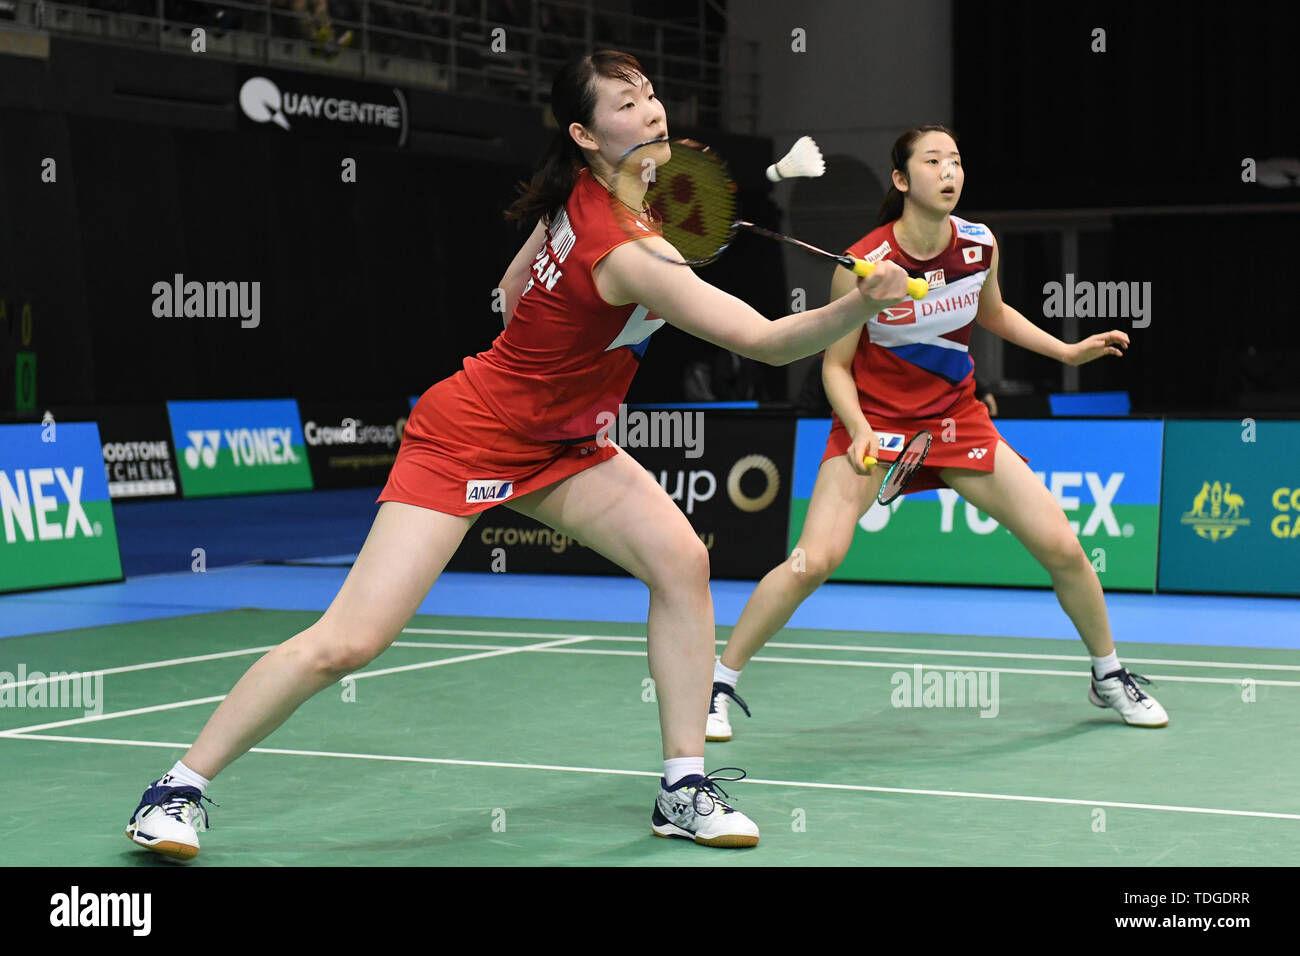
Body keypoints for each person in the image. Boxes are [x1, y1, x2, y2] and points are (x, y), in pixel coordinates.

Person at [124, 50, 913, 859]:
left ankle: (683, 786)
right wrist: (861, 303)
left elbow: (507, 297)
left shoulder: (584, 200)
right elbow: (768, 343)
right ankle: (176, 788)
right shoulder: (630, 252)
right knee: (351, 641)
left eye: (649, 96)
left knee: (681, 562)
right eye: (624, 103)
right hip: (467, 433)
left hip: (564, 444)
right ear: (585, 133)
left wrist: (564, 373)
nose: (650, 111)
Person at [706, 125, 1168, 743]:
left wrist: (1068, 350)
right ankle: (716, 685)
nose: (949, 172)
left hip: (956, 420)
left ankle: (1108, 675)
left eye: (955, 161)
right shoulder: (866, 264)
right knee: (812, 561)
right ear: (902, 180)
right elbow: (835, 365)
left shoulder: (979, 245)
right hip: (875, 425)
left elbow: (991, 310)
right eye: (933, 161)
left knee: (1062, 547)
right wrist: (861, 428)